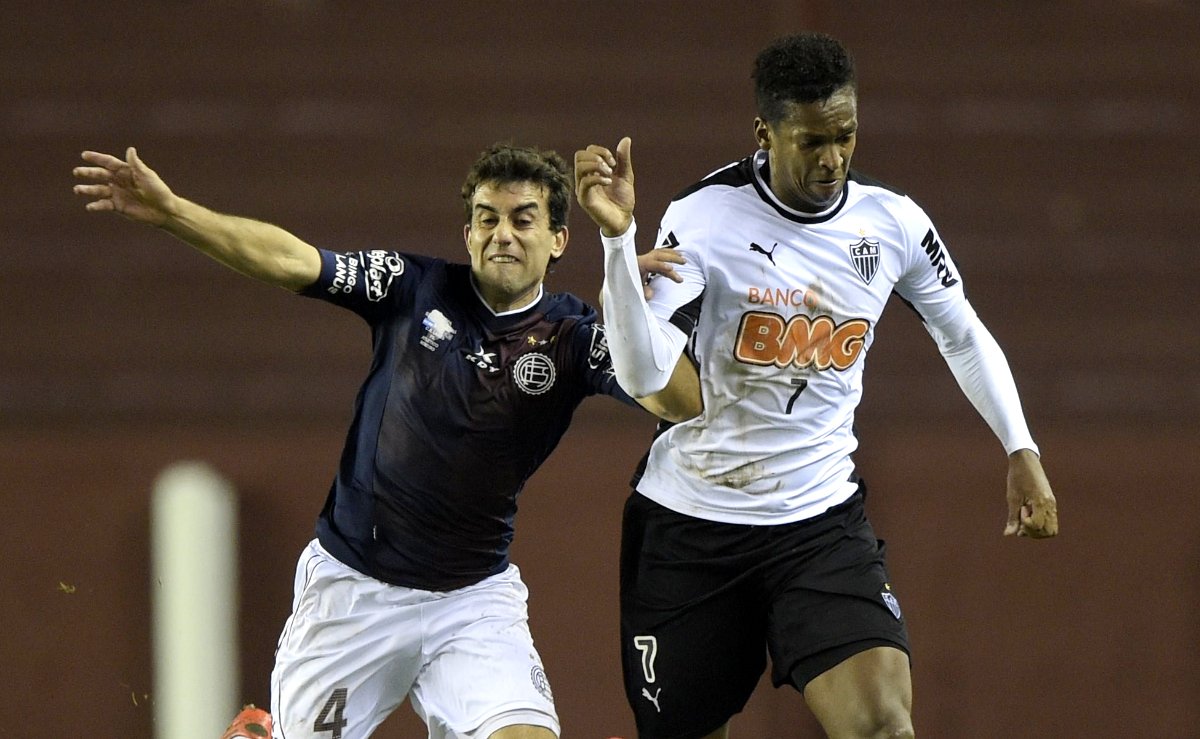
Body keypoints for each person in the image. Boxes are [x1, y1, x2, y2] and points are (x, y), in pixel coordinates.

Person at [74, 143, 701, 739]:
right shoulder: (412, 288)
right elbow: (295, 260)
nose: (500, 234)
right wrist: (175, 213)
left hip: (472, 601)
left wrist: (621, 267)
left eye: (522, 219)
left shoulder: (572, 335)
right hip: (354, 593)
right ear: (467, 234)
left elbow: (678, 401)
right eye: (485, 218)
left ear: (560, 239)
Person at [574, 32, 1058, 739]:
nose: (833, 158)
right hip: (692, 525)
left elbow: (962, 332)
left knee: (885, 726)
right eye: (812, 141)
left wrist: (1021, 446)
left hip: (818, 524)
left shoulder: (892, 224)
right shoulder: (703, 217)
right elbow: (645, 372)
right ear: (765, 133)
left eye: (846, 135)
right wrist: (619, 245)